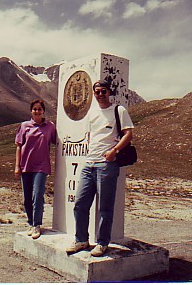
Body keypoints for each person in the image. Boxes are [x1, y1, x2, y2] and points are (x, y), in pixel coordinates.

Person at [66, 79, 134, 257]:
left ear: (109, 92)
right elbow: (91, 136)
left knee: (104, 208)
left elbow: (128, 134)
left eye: (103, 91)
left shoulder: (118, 110)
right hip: (89, 164)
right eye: (97, 92)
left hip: (107, 165)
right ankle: (81, 240)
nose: (100, 94)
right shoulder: (92, 112)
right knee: (80, 204)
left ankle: (102, 243)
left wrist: (114, 151)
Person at [15, 99, 56, 239]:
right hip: (26, 165)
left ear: (43, 111)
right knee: (27, 197)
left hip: (41, 166)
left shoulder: (50, 126)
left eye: (39, 109)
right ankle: (31, 223)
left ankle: (37, 224)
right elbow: (19, 146)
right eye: (35, 109)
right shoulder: (24, 126)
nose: (37, 111)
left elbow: (57, 141)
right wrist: (17, 166)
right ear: (31, 111)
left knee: (37, 195)